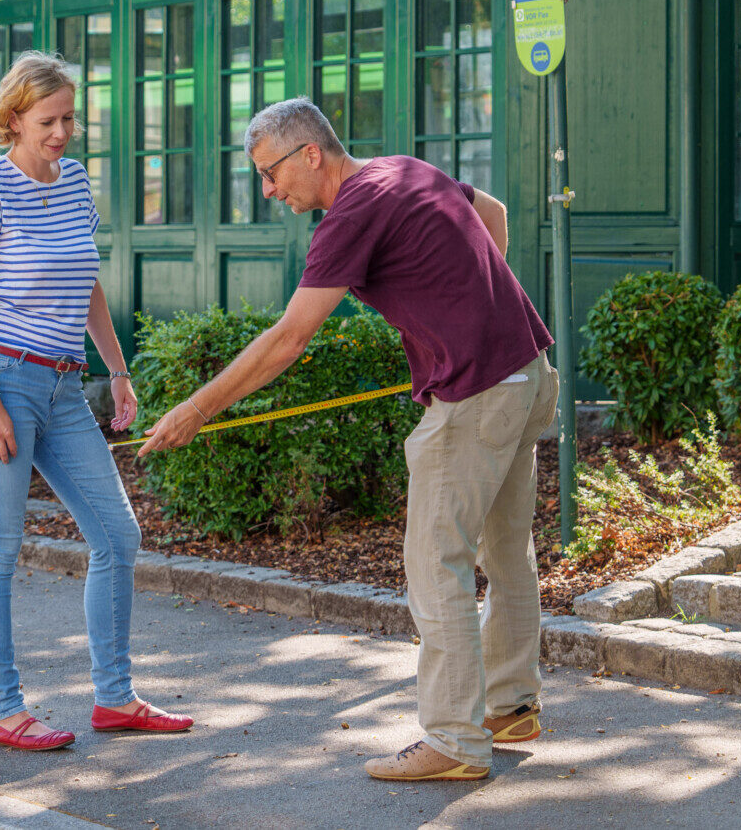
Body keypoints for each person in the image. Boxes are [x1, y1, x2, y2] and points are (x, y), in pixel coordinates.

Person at [141, 97, 556, 783]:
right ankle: (510, 707)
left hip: (477, 396)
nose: (269, 189)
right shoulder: (404, 169)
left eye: (272, 172)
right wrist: (471, 309)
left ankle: (454, 740)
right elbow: (496, 216)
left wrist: (197, 407)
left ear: (311, 152)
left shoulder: (351, 212)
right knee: (508, 551)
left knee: (435, 561)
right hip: (527, 372)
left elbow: (289, 338)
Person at [0, 51, 190, 752]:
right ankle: (5, 708)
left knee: (117, 536)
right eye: (49, 120)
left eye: (70, 118)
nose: (63, 132)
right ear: (14, 117)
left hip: (60, 384)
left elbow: (85, 283)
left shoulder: (76, 181)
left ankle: (115, 697)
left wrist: (116, 369)